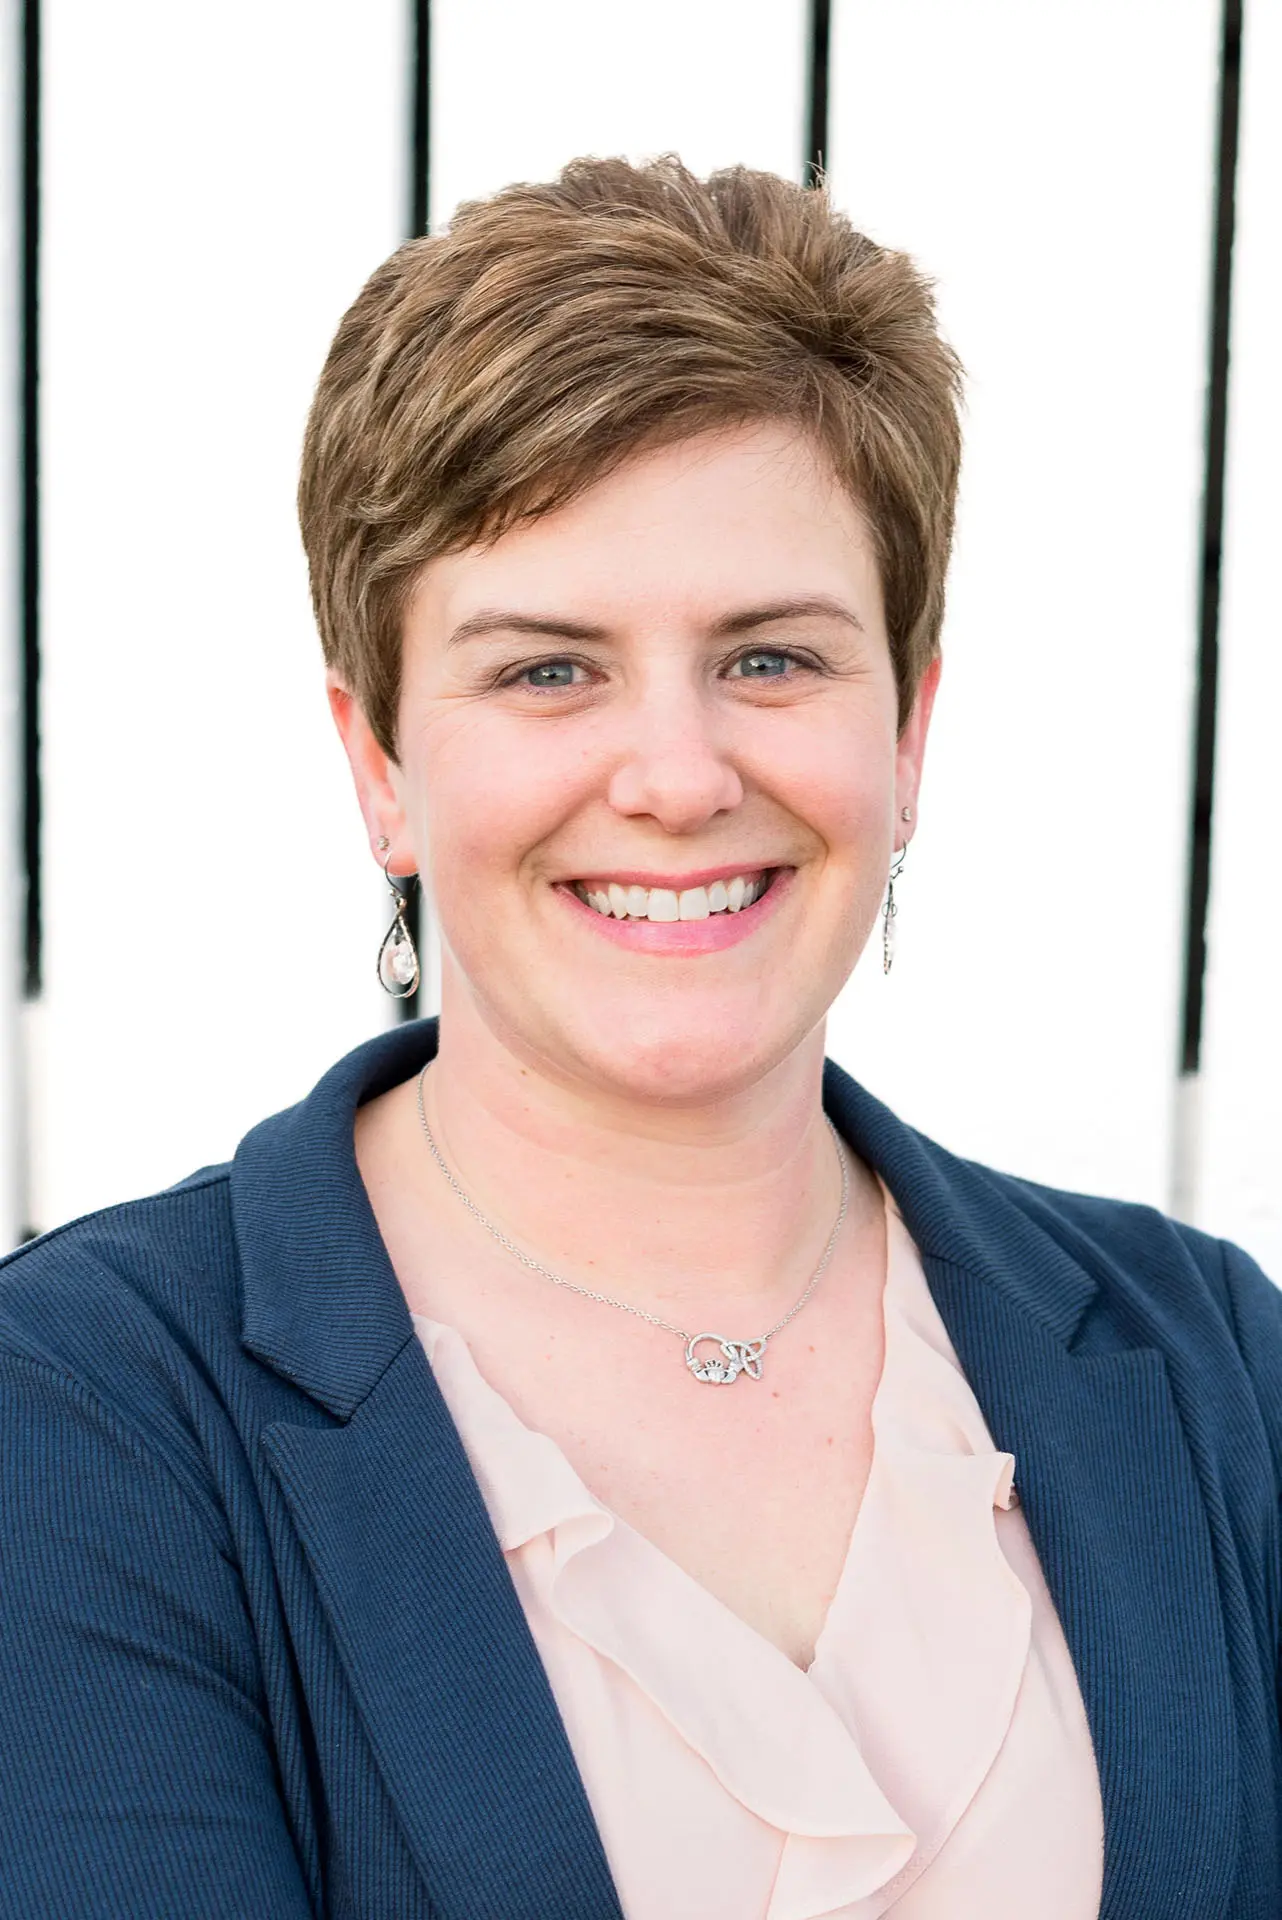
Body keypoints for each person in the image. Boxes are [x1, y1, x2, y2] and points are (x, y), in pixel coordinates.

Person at [1, 155, 1278, 1920]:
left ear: (905, 732)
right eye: (547, 669)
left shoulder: (1218, 1371)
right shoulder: (83, 1420)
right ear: (378, 762)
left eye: (769, 660)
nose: (678, 776)